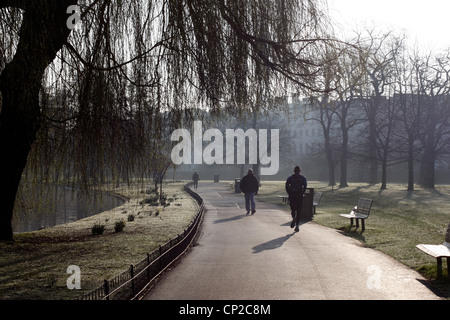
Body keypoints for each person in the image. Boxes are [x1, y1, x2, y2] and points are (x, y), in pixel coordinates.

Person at [285, 166, 307, 232]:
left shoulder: (290, 178)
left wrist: (289, 192)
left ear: (294, 171)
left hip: (292, 196)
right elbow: (305, 186)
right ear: (300, 171)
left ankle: (293, 218)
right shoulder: (303, 178)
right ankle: (297, 225)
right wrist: (302, 192)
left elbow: (286, 185)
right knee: (299, 210)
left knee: (293, 209)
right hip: (299, 196)